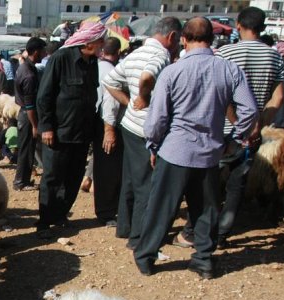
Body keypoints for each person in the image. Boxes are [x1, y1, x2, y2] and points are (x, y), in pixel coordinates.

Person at [133, 18, 258, 279]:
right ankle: (203, 260)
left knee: (160, 208)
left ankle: (146, 258)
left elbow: (156, 120)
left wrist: (153, 144)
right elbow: (250, 110)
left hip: (175, 151)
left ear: (183, 39)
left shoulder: (172, 71)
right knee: (205, 210)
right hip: (210, 153)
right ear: (211, 39)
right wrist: (234, 139)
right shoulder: (229, 70)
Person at [102, 17, 182, 249]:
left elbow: (110, 82)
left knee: (130, 179)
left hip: (129, 125)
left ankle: (125, 227)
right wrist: (143, 97)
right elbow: (147, 77)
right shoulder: (160, 56)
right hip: (147, 128)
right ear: (171, 37)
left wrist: (128, 103)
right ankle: (138, 237)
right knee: (146, 183)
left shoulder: (135, 54)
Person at [213, 7, 284, 248]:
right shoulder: (274, 56)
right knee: (237, 182)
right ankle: (223, 233)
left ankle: (204, 229)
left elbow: (219, 95)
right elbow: (278, 98)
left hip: (222, 129)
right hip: (252, 134)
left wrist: (238, 123)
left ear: (238, 25)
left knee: (212, 180)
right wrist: (258, 124)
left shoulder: (225, 52)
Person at [35, 22, 107, 235]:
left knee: (74, 177)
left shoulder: (92, 61)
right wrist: (46, 127)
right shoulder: (61, 58)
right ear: (89, 42)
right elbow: (44, 96)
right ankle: (45, 222)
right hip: (59, 132)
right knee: (53, 176)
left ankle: (60, 215)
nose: (103, 44)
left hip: (82, 132)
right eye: (100, 40)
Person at [93, 36, 124, 227]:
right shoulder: (113, 72)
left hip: (97, 120)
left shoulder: (94, 66)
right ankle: (107, 211)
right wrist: (109, 130)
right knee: (109, 168)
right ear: (118, 52)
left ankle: (106, 208)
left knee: (102, 167)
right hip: (108, 123)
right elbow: (110, 102)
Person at [13, 37, 47, 191]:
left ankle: (24, 179)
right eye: (43, 50)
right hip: (28, 116)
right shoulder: (29, 75)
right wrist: (35, 125)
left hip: (25, 113)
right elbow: (30, 105)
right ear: (36, 51)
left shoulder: (25, 67)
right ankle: (21, 182)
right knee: (26, 150)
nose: (45, 53)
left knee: (28, 148)